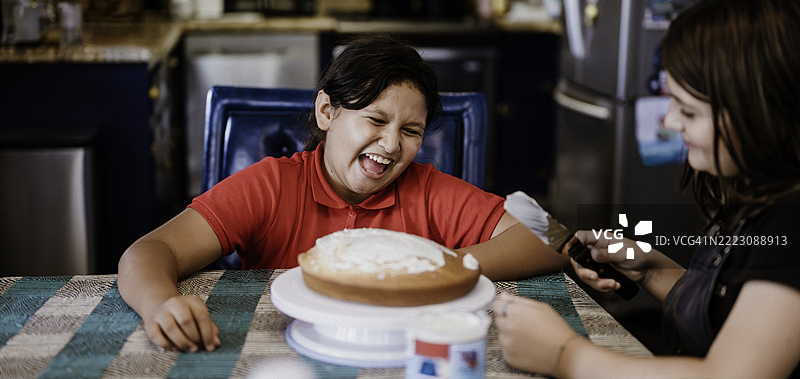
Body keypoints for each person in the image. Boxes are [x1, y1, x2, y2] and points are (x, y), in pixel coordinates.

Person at [118, 34, 567, 353]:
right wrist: (161, 303)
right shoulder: (273, 185)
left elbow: (553, 241)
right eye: (375, 120)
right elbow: (148, 251)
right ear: (327, 110)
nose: (392, 145)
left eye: (410, 131)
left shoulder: (428, 190)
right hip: (283, 354)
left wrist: (441, 267)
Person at [493, 0, 800, 378]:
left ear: (768, 115)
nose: (671, 121)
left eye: (689, 111)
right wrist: (652, 269)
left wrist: (565, 355)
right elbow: (734, 316)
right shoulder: (757, 197)